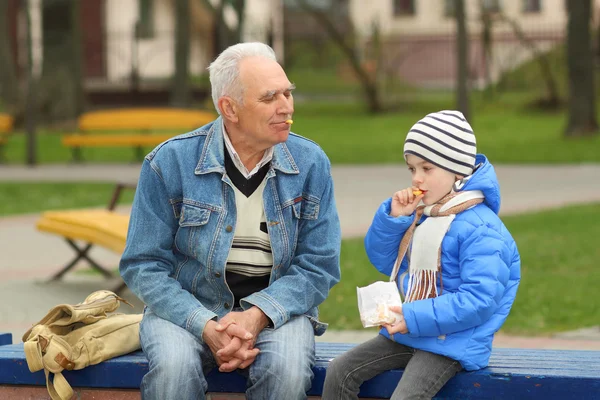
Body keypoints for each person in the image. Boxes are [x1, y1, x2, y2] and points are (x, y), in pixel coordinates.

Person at [120, 42, 341, 400]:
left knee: (285, 371)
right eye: (270, 98)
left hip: (277, 311)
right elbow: (143, 265)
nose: (286, 107)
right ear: (230, 109)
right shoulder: (169, 162)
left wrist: (256, 316)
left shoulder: (311, 163)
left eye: (287, 93)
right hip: (186, 307)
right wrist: (205, 324)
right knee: (173, 372)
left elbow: (319, 266)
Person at [322, 110, 521, 400]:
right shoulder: (424, 217)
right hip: (414, 330)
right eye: (412, 169)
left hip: (454, 341)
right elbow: (384, 260)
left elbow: (480, 301)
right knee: (340, 372)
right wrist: (395, 219)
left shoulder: (482, 229)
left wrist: (412, 316)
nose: (417, 179)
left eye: (426, 169)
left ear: (457, 170)